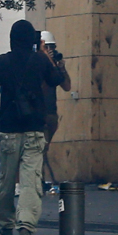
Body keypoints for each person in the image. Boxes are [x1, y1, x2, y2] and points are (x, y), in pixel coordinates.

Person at [0, 20, 64, 235]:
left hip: (9, 129)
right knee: (31, 179)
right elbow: (56, 79)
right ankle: (26, 224)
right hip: (34, 128)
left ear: (11, 39)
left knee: (6, 178)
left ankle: (5, 222)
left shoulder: (0, 62)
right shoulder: (40, 60)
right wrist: (45, 53)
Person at [39, 30, 72, 184]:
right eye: (47, 47)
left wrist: (61, 68)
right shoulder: (35, 64)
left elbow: (66, 86)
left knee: (42, 149)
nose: (50, 51)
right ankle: (36, 181)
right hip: (37, 115)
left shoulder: (53, 66)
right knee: (38, 151)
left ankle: (39, 181)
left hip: (51, 113)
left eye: (52, 47)